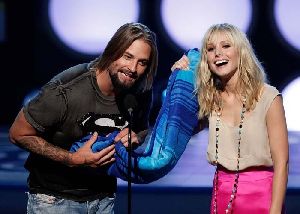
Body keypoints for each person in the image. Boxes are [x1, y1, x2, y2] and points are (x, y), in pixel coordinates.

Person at [9, 22, 158, 214]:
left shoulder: (140, 89)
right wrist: (72, 158)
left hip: (104, 199)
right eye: (127, 57)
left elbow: (140, 129)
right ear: (112, 51)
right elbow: (18, 134)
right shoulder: (67, 90)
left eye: (142, 62)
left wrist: (134, 138)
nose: (133, 68)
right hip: (54, 200)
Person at [172, 23, 289, 213]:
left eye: (226, 46)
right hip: (222, 195)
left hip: (262, 196)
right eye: (210, 49)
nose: (218, 53)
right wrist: (177, 81)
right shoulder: (209, 98)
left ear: (241, 51)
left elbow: (281, 162)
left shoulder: (269, 97)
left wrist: (275, 210)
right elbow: (182, 129)